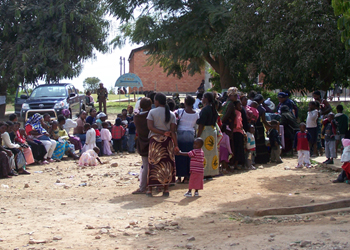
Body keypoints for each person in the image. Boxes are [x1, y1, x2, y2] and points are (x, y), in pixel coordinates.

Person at [146, 93, 178, 197]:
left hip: (155, 141)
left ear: (157, 101)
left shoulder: (152, 112)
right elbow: (173, 131)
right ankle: (166, 189)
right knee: (167, 165)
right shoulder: (171, 114)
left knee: (153, 164)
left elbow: (150, 127)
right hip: (167, 142)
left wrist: (160, 132)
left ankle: (150, 189)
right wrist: (176, 145)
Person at [174, 95, 199, 183]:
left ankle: (179, 176)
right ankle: (187, 176)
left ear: (185, 102)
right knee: (189, 155)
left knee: (179, 155)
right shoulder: (196, 113)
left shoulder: (180, 111)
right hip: (191, 135)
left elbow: (175, 122)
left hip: (180, 135)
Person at [132, 97, 152, 194]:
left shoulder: (137, 117)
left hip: (142, 142)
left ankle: (143, 186)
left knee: (145, 165)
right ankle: (150, 185)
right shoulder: (151, 115)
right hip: (152, 142)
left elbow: (136, 112)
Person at [197, 92, 219, 177]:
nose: (202, 99)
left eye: (203, 97)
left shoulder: (205, 109)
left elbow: (201, 124)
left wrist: (198, 136)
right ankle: (211, 172)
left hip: (205, 132)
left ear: (206, 99)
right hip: (212, 132)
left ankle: (205, 172)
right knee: (211, 153)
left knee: (204, 153)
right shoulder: (213, 109)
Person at [253, 94, 270, 164]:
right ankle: (262, 159)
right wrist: (270, 126)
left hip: (254, 126)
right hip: (259, 127)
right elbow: (264, 120)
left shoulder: (252, 107)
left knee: (256, 142)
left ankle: (256, 159)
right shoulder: (262, 109)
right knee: (261, 142)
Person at [233, 100, 245, 169]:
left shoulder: (233, 112)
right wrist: (240, 127)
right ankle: (237, 164)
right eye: (239, 105)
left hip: (234, 132)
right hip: (238, 131)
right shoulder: (238, 113)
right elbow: (238, 123)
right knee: (239, 148)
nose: (240, 106)